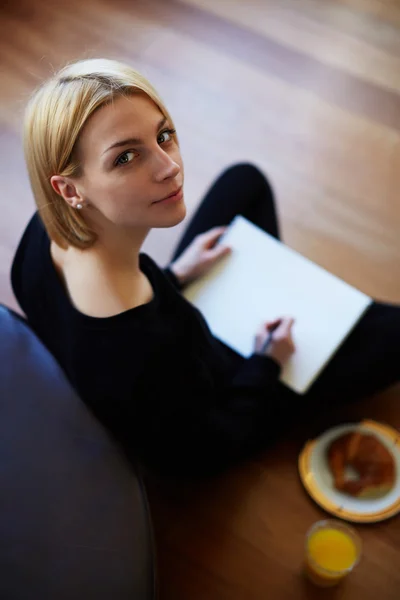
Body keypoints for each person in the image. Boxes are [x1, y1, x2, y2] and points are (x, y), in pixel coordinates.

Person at [11, 58, 400, 477]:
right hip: (226, 389)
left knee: (243, 182)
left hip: (175, 351)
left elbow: (119, 315)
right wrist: (267, 363)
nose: (169, 167)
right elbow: (216, 442)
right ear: (69, 188)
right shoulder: (146, 353)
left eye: (163, 136)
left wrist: (176, 272)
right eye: (126, 157)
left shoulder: (43, 230)